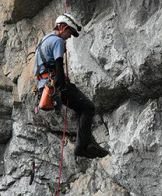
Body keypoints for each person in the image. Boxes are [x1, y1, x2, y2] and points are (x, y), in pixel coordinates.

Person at [33, 13, 108, 158]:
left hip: (44, 85)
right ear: (62, 27)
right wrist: (64, 86)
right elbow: (59, 66)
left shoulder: (44, 40)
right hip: (55, 83)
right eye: (69, 32)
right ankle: (83, 146)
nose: (69, 36)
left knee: (81, 108)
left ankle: (88, 143)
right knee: (88, 107)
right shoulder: (57, 41)